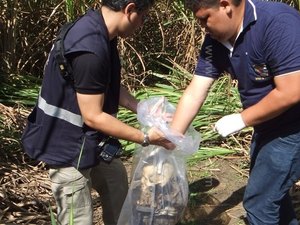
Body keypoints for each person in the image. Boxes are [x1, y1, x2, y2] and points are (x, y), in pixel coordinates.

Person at [21, 0, 175, 225]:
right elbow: (93, 116)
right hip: (67, 150)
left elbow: (102, 85)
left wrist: (141, 108)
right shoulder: (90, 49)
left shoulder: (102, 32)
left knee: (116, 180)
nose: (143, 24)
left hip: (89, 142)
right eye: (145, 17)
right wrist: (146, 138)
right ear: (130, 9)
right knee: (79, 218)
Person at [171, 0, 300, 224]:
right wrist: (171, 137)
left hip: (293, 127)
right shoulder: (216, 40)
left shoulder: (276, 22)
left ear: (225, 5)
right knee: (273, 197)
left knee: (259, 202)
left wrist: (242, 118)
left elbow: (292, 90)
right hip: (266, 125)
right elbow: (196, 90)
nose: (202, 26)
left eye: (204, 18)